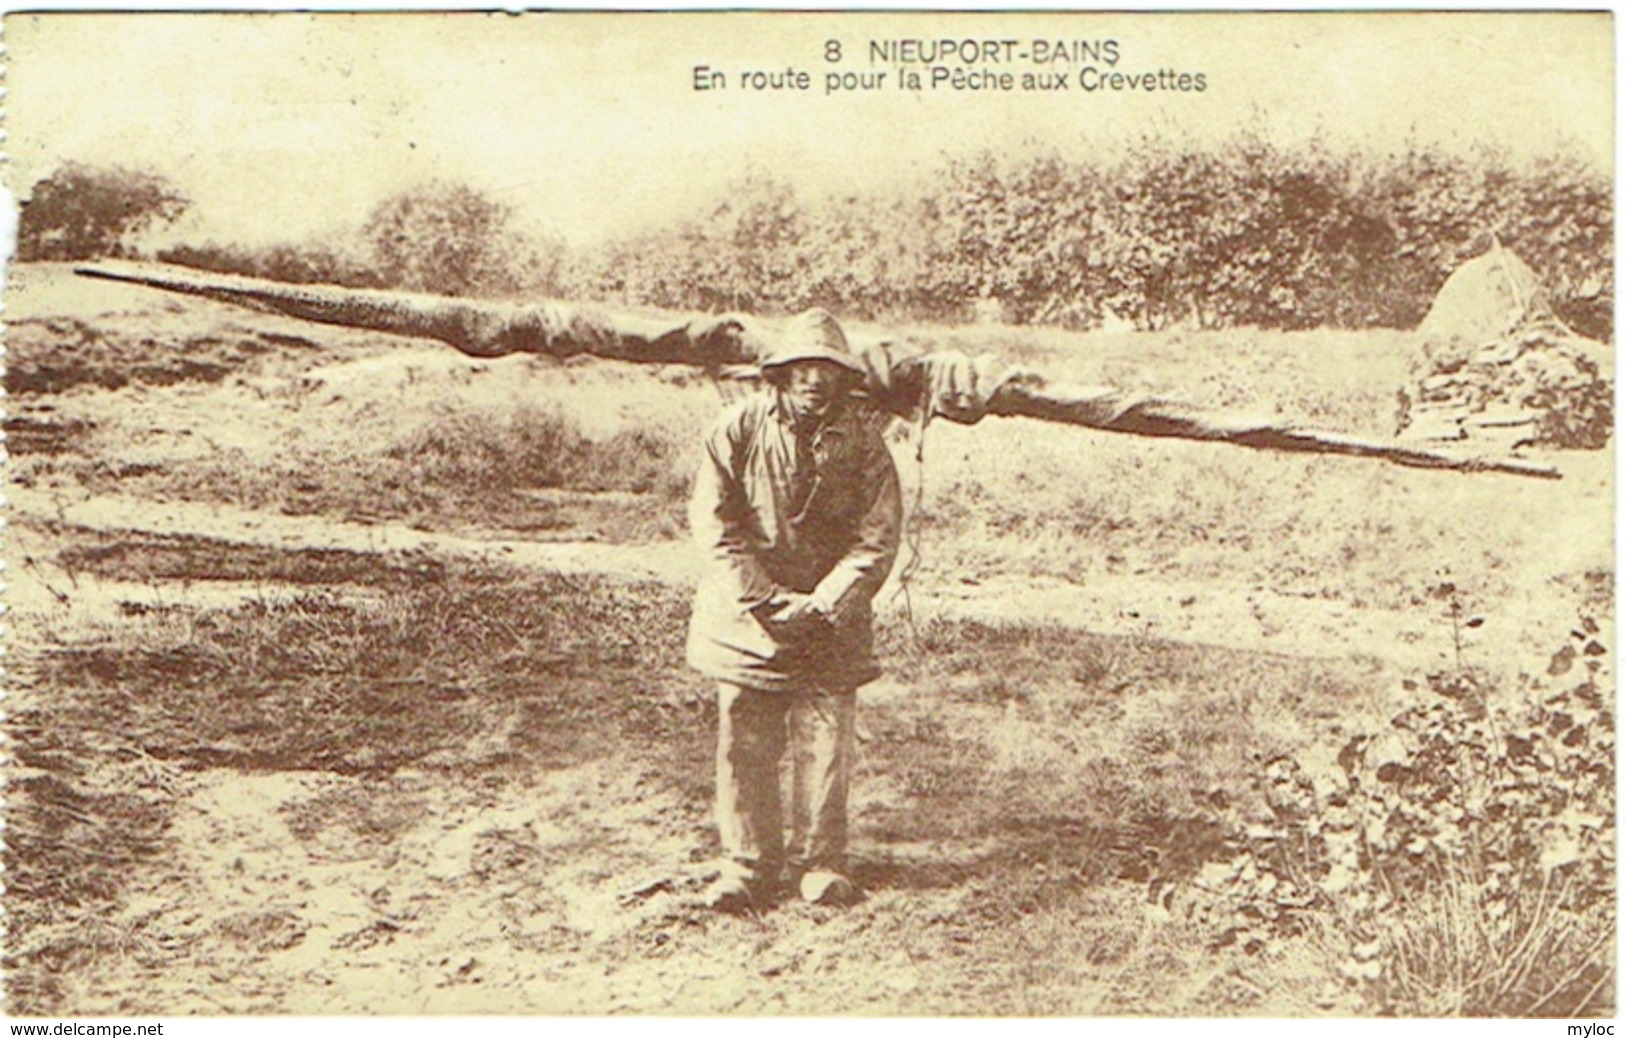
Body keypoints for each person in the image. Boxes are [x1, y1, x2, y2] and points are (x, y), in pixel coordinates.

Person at [685, 307, 903, 913]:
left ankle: (821, 863)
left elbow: (878, 536)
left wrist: (827, 601)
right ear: (779, 373)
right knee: (746, 738)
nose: (814, 380)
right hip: (748, 615)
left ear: (843, 377)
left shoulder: (864, 441)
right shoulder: (737, 428)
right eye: (802, 367)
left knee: (828, 741)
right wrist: (765, 599)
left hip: (832, 618)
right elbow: (714, 524)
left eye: (827, 369)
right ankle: (747, 865)